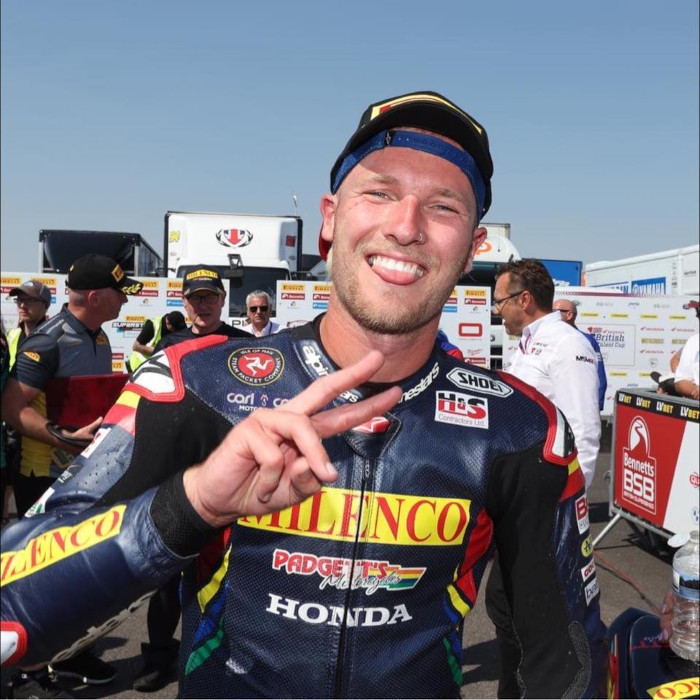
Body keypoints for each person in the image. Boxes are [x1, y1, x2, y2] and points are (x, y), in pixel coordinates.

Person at [0, 91, 607, 698]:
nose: (406, 227)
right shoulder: (193, 382)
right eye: (380, 193)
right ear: (329, 219)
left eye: (443, 206)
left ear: (473, 248)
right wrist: (194, 503)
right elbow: (12, 604)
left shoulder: (523, 429)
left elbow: (566, 663)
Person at [1, 254, 143, 696]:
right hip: (42, 475)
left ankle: (69, 654)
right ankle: (29, 670)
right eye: (120, 294)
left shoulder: (99, 336)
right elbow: (11, 408)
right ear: (97, 296)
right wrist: (65, 439)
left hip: (83, 476)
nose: (125, 301)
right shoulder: (49, 340)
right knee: (38, 577)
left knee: (75, 571)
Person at [153, 266, 250, 351]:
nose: (203, 306)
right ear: (184, 301)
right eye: (195, 298)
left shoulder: (245, 343)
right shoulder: (168, 346)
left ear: (223, 298)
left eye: (210, 297)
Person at [553, 297, 608, 411]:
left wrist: (596, 406)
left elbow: (600, 376)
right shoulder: (545, 338)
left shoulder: (588, 341)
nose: (550, 316)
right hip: (552, 409)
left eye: (555, 312)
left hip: (579, 409)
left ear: (569, 315)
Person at [6, 280, 52, 369]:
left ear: (45, 305)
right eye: (20, 300)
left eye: (30, 300)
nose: (22, 305)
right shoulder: (12, 335)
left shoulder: (53, 337)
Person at [673, 300, 699, 400]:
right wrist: (695, 390)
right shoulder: (693, 341)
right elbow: (680, 381)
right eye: (698, 313)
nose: (697, 316)